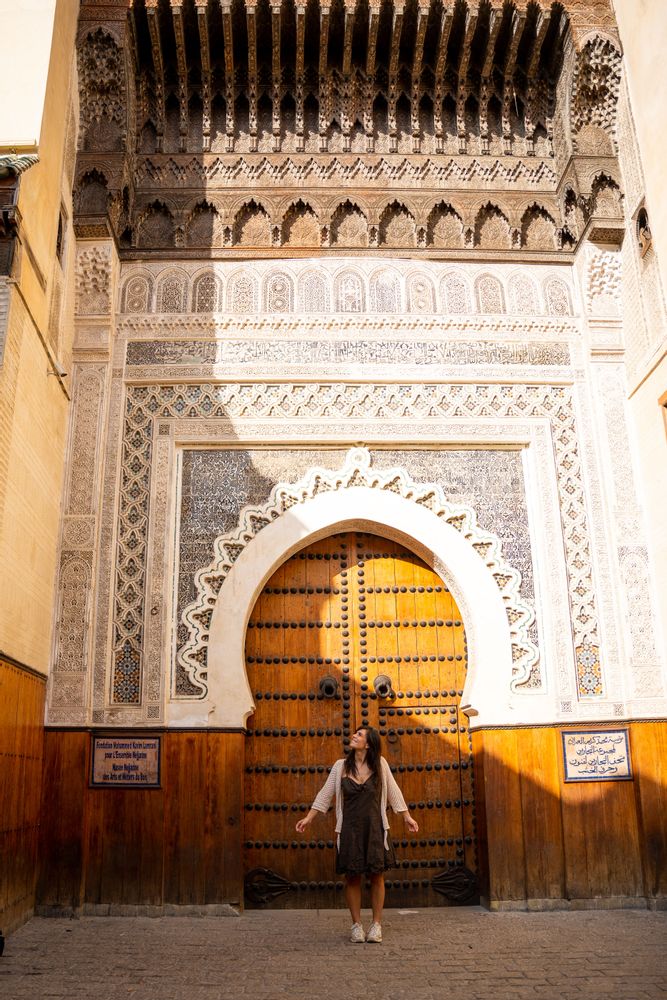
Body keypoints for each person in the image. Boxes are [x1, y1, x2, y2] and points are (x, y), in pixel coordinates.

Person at [295, 725, 419, 943]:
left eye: (359, 734)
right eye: (355, 733)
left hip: (375, 828)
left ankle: (376, 925)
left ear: (368, 743)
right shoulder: (340, 766)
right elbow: (326, 793)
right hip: (350, 829)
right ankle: (356, 926)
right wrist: (309, 818)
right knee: (352, 877)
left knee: (377, 876)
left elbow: (393, 791)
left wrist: (406, 816)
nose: (354, 736)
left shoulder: (380, 764)